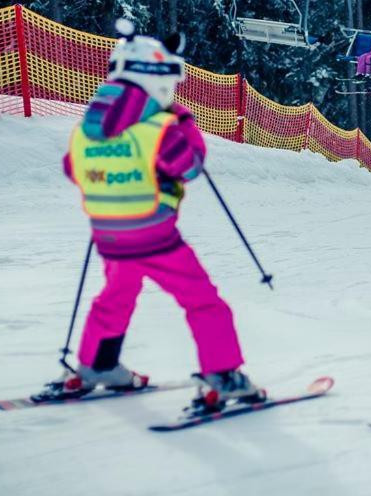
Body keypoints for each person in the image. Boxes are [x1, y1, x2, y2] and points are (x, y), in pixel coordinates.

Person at [55, 21, 260, 411]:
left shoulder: (87, 129)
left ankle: (98, 364)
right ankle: (223, 374)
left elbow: (72, 168)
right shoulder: (158, 129)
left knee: (115, 296)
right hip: (154, 235)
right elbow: (190, 167)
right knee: (203, 302)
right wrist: (182, 123)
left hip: (109, 237)